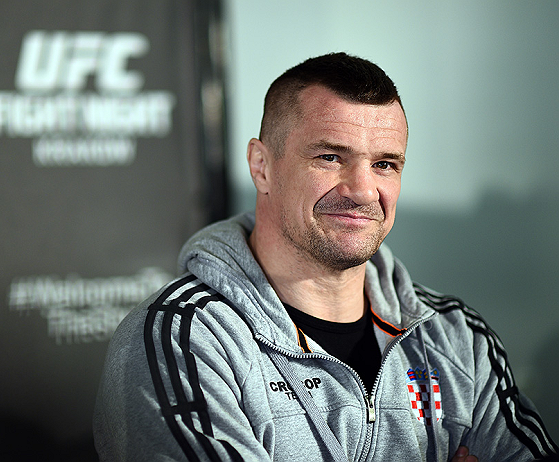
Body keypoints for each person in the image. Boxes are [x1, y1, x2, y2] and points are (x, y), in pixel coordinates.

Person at [93, 52, 557, 461]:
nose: (361, 190)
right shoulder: (184, 340)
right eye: (330, 157)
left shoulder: (457, 338)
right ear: (262, 166)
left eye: (384, 164)